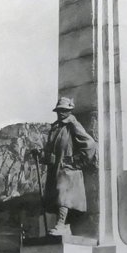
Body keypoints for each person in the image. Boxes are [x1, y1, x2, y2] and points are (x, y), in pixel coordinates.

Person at [43, 97, 96, 237]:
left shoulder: (72, 124)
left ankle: (61, 225)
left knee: (63, 196)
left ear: (69, 111)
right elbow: (51, 148)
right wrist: (44, 156)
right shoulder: (55, 127)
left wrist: (76, 161)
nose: (60, 113)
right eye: (59, 110)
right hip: (56, 169)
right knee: (56, 197)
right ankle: (65, 226)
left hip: (68, 170)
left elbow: (90, 144)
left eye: (64, 110)